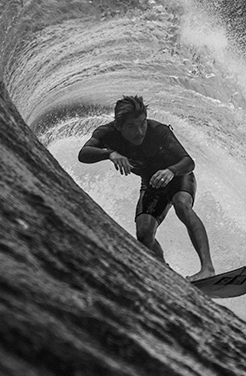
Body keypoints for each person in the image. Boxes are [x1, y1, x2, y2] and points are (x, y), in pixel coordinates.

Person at [79, 95, 215, 281]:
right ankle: (167, 275)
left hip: (178, 175)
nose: (140, 131)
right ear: (118, 126)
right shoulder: (107, 134)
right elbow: (84, 154)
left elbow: (188, 162)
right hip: (152, 184)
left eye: (142, 123)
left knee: (181, 204)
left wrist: (171, 171)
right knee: (143, 234)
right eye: (132, 127)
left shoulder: (158, 131)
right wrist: (110, 154)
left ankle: (207, 269)